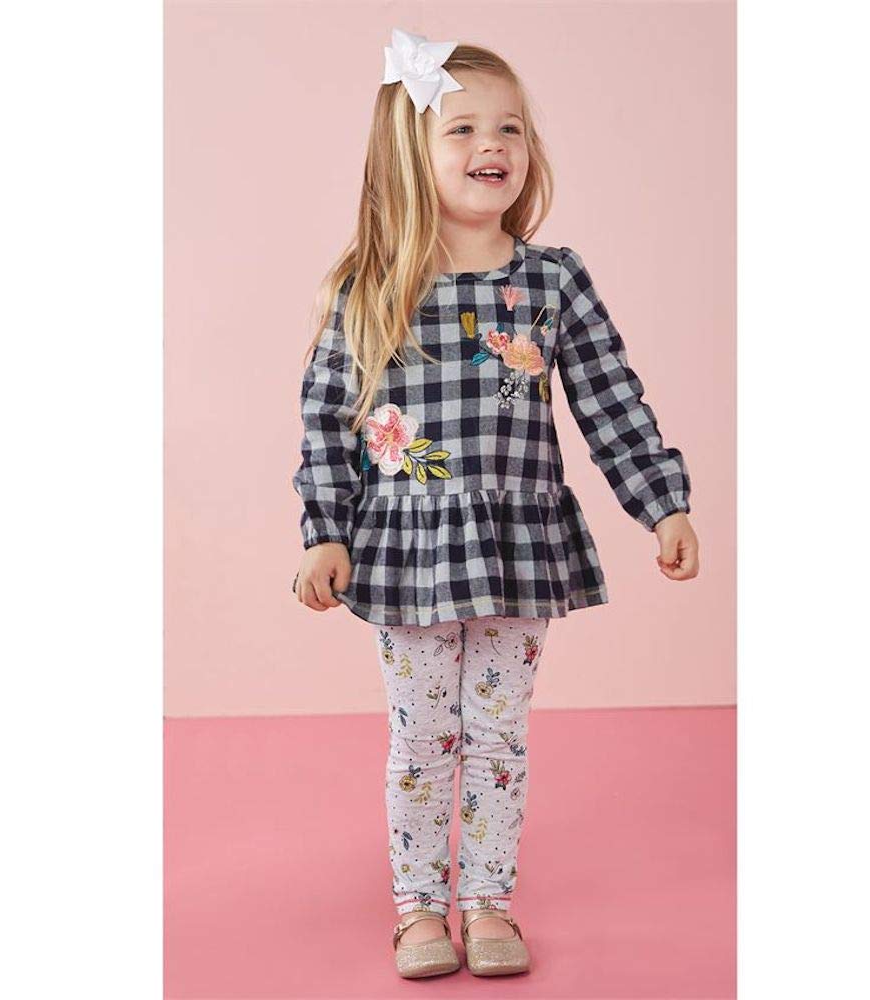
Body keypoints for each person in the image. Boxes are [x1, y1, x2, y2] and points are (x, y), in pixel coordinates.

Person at [291, 28, 700, 979]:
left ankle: (487, 901)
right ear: (410, 153)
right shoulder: (369, 287)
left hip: (518, 543)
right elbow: (326, 419)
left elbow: (610, 400)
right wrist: (324, 532)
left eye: (510, 127)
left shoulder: (553, 280)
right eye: (464, 127)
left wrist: (662, 503)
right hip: (407, 551)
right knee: (422, 737)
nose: (494, 144)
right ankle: (418, 909)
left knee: (499, 736)